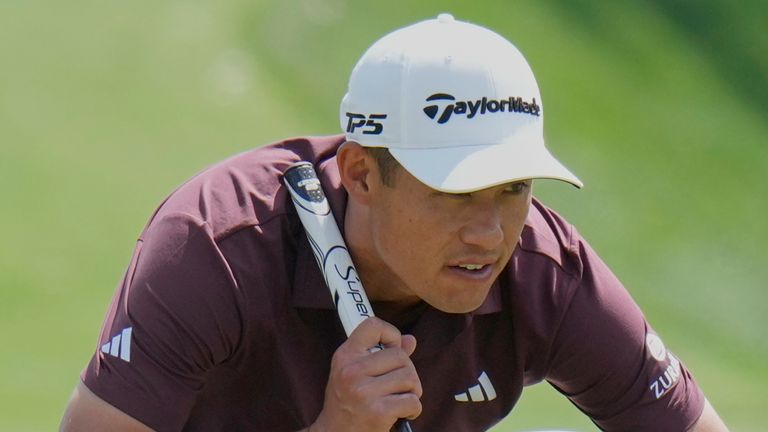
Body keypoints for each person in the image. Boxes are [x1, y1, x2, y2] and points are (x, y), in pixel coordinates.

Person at [60, 14, 729, 432]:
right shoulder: (217, 247)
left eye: (513, 189)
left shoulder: (542, 275)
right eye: (456, 191)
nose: (490, 234)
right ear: (359, 174)